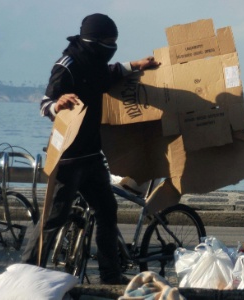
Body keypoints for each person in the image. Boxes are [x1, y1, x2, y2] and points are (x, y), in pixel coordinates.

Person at [21, 13, 160, 285]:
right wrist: (57, 104)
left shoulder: (97, 61)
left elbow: (112, 72)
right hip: (68, 159)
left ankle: (110, 274)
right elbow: (45, 103)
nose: (112, 46)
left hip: (92, 156)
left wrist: (136, 64)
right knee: (52, 218)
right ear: (92, 41)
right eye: (108, 41)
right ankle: (25, 274)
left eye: (115, 41)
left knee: (107, 211)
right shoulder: (68, 65)